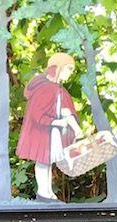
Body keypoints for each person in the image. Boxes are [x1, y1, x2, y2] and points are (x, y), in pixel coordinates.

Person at [16, 52, 84, 201]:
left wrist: (77, 129)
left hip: (52, 134)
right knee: (42, 161)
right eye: (68, 69)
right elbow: (37, 113)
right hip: (42, 133)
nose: (70, 73)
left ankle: (47, 192)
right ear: (57, 68)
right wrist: (56, 122)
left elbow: (66, 111)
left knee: (47, 162)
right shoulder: (44, 88)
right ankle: (43, 192)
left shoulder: (60, 90)